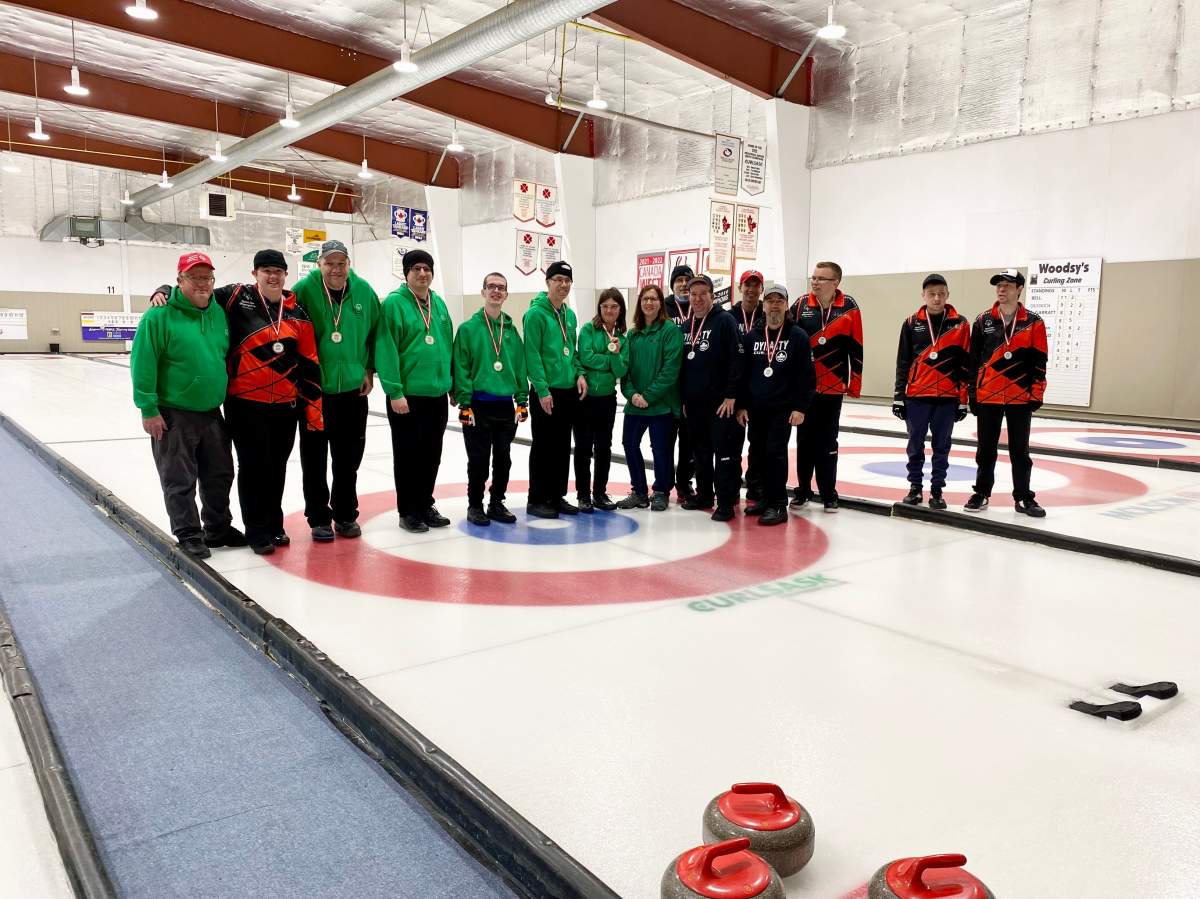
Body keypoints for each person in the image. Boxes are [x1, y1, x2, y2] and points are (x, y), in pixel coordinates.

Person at [131, 252, 243, 558]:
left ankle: (217, 527)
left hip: (211, 411)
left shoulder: (218, 312)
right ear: (179, 281)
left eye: (207, 277)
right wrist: (148, 408)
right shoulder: (159, 315)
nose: (202, 283)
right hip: (173, 411)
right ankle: (189, 533)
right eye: (194, 277)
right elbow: (143, 362)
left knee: (219, 473)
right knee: (179, 478)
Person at [218, 250, 323, 554]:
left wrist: (314, 411)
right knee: (252, 466)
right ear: (255, 274)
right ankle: (256, 530)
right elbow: (196, 291)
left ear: (286, 275)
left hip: (285, 406)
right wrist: (164, 291)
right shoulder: (236, 297)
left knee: (276, 466)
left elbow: (309, 362)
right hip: (245, 403)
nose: (272, 276)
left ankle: (274, 525)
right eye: (266, 270)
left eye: (278, 271)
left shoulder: (297, 312)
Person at [291, 240, 380, 541]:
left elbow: (375, 334)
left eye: (341, 263)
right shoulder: (303, 289)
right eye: (329, 263)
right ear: (320, 265)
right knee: (314, 458)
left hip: (353, 392)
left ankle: (345, 514)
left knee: (348, 458)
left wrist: (368, 368)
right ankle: (317, 517)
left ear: (348, 264)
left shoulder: (365, 291)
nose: (336, 268)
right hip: (316, 392)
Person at [376, 249, 454, 533]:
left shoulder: (439, 305)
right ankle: (408, 510)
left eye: (427, 269)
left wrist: (453, 383)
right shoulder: (395, 304)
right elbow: (386, 349)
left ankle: (425, 503)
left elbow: (448, 345)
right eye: (417, 268)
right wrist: (395, 392)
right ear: (406, 272)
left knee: (432, 454)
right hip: (407, 397)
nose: (423, 273)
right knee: (408, 455)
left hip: (437, 394)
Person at [965, 269, 1049, 517]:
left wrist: (1036, 393)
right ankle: (981, 492)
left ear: (1020, 288)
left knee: (1019, 450)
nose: (1001, 290)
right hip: (988, 395)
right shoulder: (983, 321)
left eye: (1007, 285)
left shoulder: (1034, 322)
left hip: (1019, 396)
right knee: (985, 449)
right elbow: (973, 361)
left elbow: (1039, 361)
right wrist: (972, 393)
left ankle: (1023, 496)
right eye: (998, 286)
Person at [736, 285, 815, 526]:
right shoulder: (753, 337)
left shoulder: (798, 336)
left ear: (786, 304)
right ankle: (763, 499)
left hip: (782, 409)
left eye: (779, 300)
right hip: (757, 409)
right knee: (757, 455)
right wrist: (741, 405)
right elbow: (743, 374)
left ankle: (778, 504)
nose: (774, 305)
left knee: (776, 455)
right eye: (769, 300)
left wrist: (800, 407)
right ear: (763, 304)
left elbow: (807, 376)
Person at [453, 273, 528, 526]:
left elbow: (519, 367)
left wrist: (522, 399)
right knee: (478, 460)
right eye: (492, 287)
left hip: (505, 406)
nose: (496, 291)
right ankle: (475, 505)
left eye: (501, 288)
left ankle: (497, 503)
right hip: (477, 405)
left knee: (503, 459)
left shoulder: (511, 330)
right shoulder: (468, 329)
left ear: (506, 294)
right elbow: (461, 367)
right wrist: (464, 402)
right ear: (483, 291)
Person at [892, 274, 971, 511]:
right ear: (923, 296)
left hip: (947, 397)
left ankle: (937, 490)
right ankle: (915, 487)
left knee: (942, 446)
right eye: (931, 294)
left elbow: (965, 364)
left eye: (941, 294)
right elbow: (903, 361)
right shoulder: (910, 323)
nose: (936, 298)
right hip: (916, 396)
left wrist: (963, 400)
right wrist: (898, 396)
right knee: (915, 444)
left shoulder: (961, 324)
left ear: (947, 295)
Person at [789, 261, 863, 512]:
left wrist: (855, 383)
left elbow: (857, 347)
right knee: (804, 441)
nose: (815, 282)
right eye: (814, 277)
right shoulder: (800, 305)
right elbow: (788, 342)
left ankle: (829, 493)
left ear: (836, 283)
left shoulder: (850, 307)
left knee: (828, 442)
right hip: (805, 389)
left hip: (833, 387)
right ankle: (802, 491)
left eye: (822, 278)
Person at [523, 260, 588, 519]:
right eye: (558, 279)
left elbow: (571, 352)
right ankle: (537, 498)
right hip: (546, 390)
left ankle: (557, 495)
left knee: (562, 446)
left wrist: (580, 374)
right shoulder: (536, 314)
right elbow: (532, 354)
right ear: (548, 282)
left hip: (568, 390)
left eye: (567, 280)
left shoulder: (569, 315)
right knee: (543, 446)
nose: (563, 284)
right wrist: (541, 389)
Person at [679, 274, 744, 522]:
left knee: (724, 453)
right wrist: (684, 399)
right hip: (694, 405)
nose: (696, 298)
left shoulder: (725, 321)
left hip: (720, 405)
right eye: (692, 294)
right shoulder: (686, 327)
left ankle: (726, 502)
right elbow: (682, 368)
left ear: (711, 295)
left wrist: (731, 396)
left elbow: (736, 361)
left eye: (702, 293)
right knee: (701, 453)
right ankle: (705, 495)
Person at [618, 284, 683, 510]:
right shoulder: (632, 334)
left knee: (661, 448)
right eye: (645, 299)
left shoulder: (670, 332)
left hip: (661, 405)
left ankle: (661, 491)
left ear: (660, 303)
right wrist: (632, 394)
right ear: (640, 303)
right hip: (636, 404)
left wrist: (648, 396)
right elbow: (623, 370)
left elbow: (670, 371)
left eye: (654, 299)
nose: (649, 303)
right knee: (629, 444)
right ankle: (639, 491)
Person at [575, 288, 629, 512]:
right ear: (599, 308)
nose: (609, 310)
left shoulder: (622, 339)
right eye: (605, 306)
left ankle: (599, 493)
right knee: (583, 448)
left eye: (614, 306)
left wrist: (615, 355)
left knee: (604, 448)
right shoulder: (588, 329)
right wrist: (609, 359)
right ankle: (583, 495)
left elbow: (620, 370)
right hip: (585, 399)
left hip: (607, 399)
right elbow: (585, 357)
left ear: (620, 310)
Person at [663, 263, 697, 505]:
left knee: (689, 442)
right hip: (667, 387)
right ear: (672, 284)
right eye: (679, 280)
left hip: (691, 387)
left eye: (687, 280)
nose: (683, 284)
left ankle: (685, 484)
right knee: (664, 441)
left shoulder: (701, 307)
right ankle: (663, 486)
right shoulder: (662, 307)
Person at [731, 269, 766, 502]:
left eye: (756, 285)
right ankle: (731, 487)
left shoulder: (769, 312)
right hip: (734, 389)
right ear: (740, 287)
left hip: (759, 390)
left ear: (761, 289)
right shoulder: (729, 315)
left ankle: (755, 487)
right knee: (732, 444)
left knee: (759, 444)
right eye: (747, 285)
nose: (751, 289)